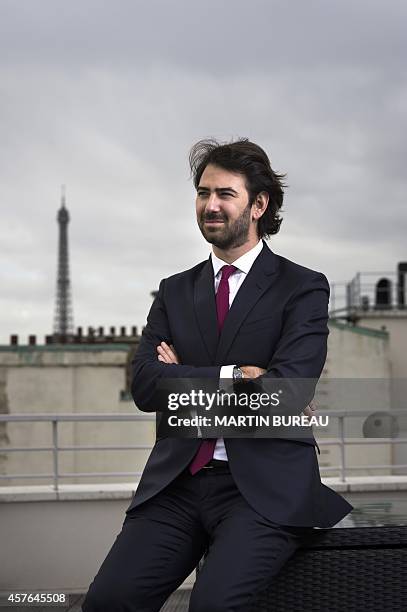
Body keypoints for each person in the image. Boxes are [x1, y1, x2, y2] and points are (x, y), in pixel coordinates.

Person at [82, 138, 353, 612]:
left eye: (225, 193)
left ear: (258, 204)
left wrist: (182, 376)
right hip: (178, 485)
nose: (210, 205)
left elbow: (284, 394)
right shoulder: (174, 291)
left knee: (211, 606)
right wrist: (234, 373)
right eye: (203, 192)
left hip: (263, 491)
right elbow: (146, 386)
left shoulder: (302, 287)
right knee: (108, 601)